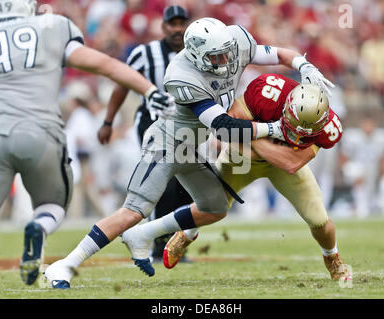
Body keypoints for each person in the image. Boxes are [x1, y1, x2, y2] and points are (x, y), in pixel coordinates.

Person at [44, 17, 334, 288]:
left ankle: (140, 236)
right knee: (134, 210)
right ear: (196, 55)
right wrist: (273, 129)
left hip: (190, 146)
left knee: (215, 207)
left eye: (227, 54)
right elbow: (223, 127)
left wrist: (303, 65)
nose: (225, 61)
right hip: (167, 144)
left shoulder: (234, 42)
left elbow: (278, 55)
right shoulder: (182, 76)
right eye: (216, 58)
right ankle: (65, 265)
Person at [0, 0, 174, 286]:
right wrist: (149, 90)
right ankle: (39, 227)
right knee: (53, 205)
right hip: (43, 133)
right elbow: (103, 64)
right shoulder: (52, 26)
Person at [161, 73, 350, 281]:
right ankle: (187, 233)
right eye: (293, 126)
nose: (295, 135)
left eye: (304, 133)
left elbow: (290, 163)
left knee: (320, 220)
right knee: (211, 205)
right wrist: (262, 136)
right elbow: (227, 127)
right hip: (240, 159)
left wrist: (251, 134)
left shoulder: (328, 129)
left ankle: (331, 256)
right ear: (287, 106)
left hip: (277, 165)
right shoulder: (268, 93)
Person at [97, 5, 193, 262]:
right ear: (163, 27)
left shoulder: (197, 53)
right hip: (153, 126)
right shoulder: (145, 53)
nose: (177, 29)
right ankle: (156, 244)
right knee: (165, 183)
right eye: (172, 24)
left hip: (188, 127)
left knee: (185, 187)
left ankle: (173, 247)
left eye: (181, 23)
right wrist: (108, 121)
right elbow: (122, 86)